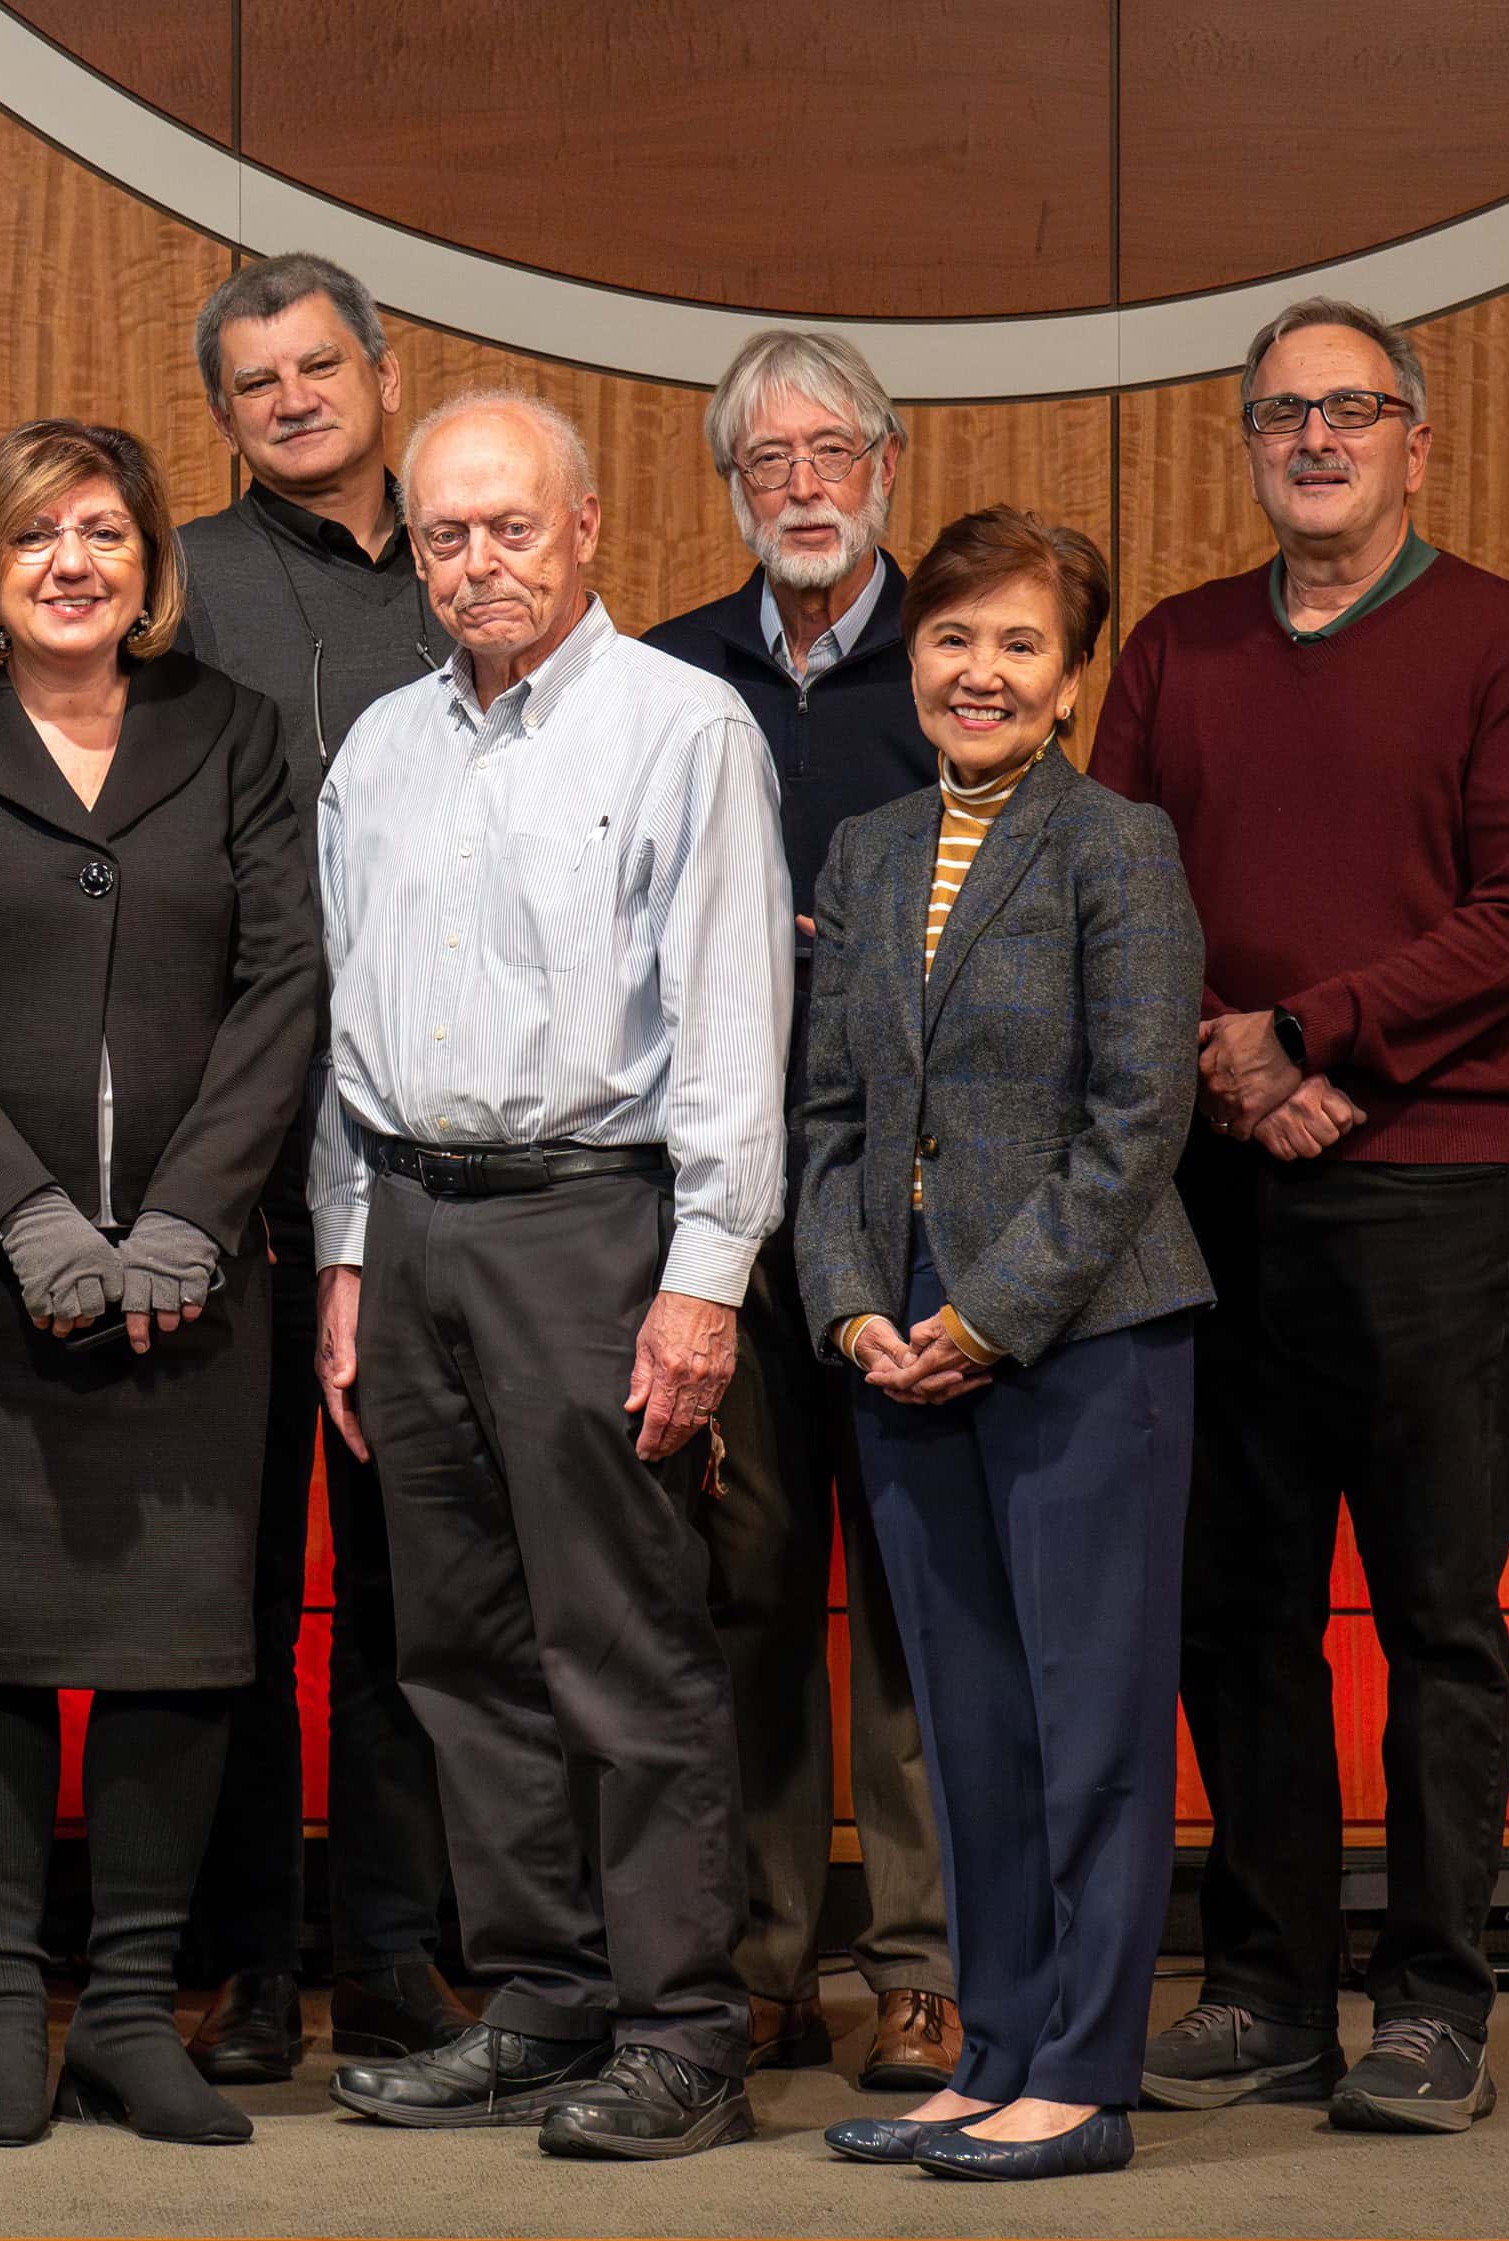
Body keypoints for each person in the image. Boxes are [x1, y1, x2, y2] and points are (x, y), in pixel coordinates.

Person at [311, 393, 788, 2160]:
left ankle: (680, 2030)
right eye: (444, 533)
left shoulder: (682, 730)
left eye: (509, 526)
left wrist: (705, 1278)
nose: (477, 561)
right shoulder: (379, 747)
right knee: (460, 1650)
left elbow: (735, 1018)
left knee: (623, 1648)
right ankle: (535, 2000)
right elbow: (346, 1033)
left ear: (585, 528)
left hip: (596, 1229)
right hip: (414, 1224)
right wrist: (350, 1254)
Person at [0, 418, 321, 2149]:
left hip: (196, 1277)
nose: (71, 563)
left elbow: (282, 988)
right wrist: (24, 1218)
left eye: (102, 532)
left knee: (177, 1637)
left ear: (146, 562)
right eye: (36, 535)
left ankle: (123, 2008)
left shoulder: (234, 732)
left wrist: (189, 1217)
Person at [1093, 296, 1509, 2136]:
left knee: (1436, 1615)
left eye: (1351, 411)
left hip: (1425, 1194)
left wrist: (1317, 1036)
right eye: (1281, 415)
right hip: (1211, 1195)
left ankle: (1433, 2000)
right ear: (1248, 445)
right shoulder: (1179, 647)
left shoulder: (1502, 641)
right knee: (1235, 1605)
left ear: (1415, 444)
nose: (1316, 439)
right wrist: (1229, 1063)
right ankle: (1268, 1983)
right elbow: (1109, 885)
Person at [794, 507, 1206, 2183]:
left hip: (1077, 1343)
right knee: (960, 1726)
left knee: (1085, 1716)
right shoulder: (868, 850)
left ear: (1067, 677)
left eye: (1018, 644)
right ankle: (994, 2048)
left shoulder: (1119, 845)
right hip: (895, 1343)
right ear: (917, 655)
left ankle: (1085, 2073)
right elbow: (829, 1112)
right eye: (954, 637)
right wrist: (849, 1303)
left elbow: (1136, 1119)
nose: (978, 670)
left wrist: (987, 1314)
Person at [160, 250, 472, 2084]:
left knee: (409, 1580)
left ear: (380, 368)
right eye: (252, 381)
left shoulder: (461, 562)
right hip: (231, 1160)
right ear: (225, 414)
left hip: (429, 1161)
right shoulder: (180, 581)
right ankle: (241, 1957)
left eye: (316, 367)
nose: (290, 398)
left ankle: (396, 1949)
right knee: (226, 1585)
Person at [639, 329, 960, 2093]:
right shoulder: (673, 676)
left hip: (920, 1208)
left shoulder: (963, 658)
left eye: (832, 450)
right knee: (745, 1591)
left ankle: (919, 1965)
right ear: (732, 490)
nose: (803, 486)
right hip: (735, 1208)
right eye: (765, 462)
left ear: (886, 466)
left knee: (915, 1591)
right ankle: (765, 1955)